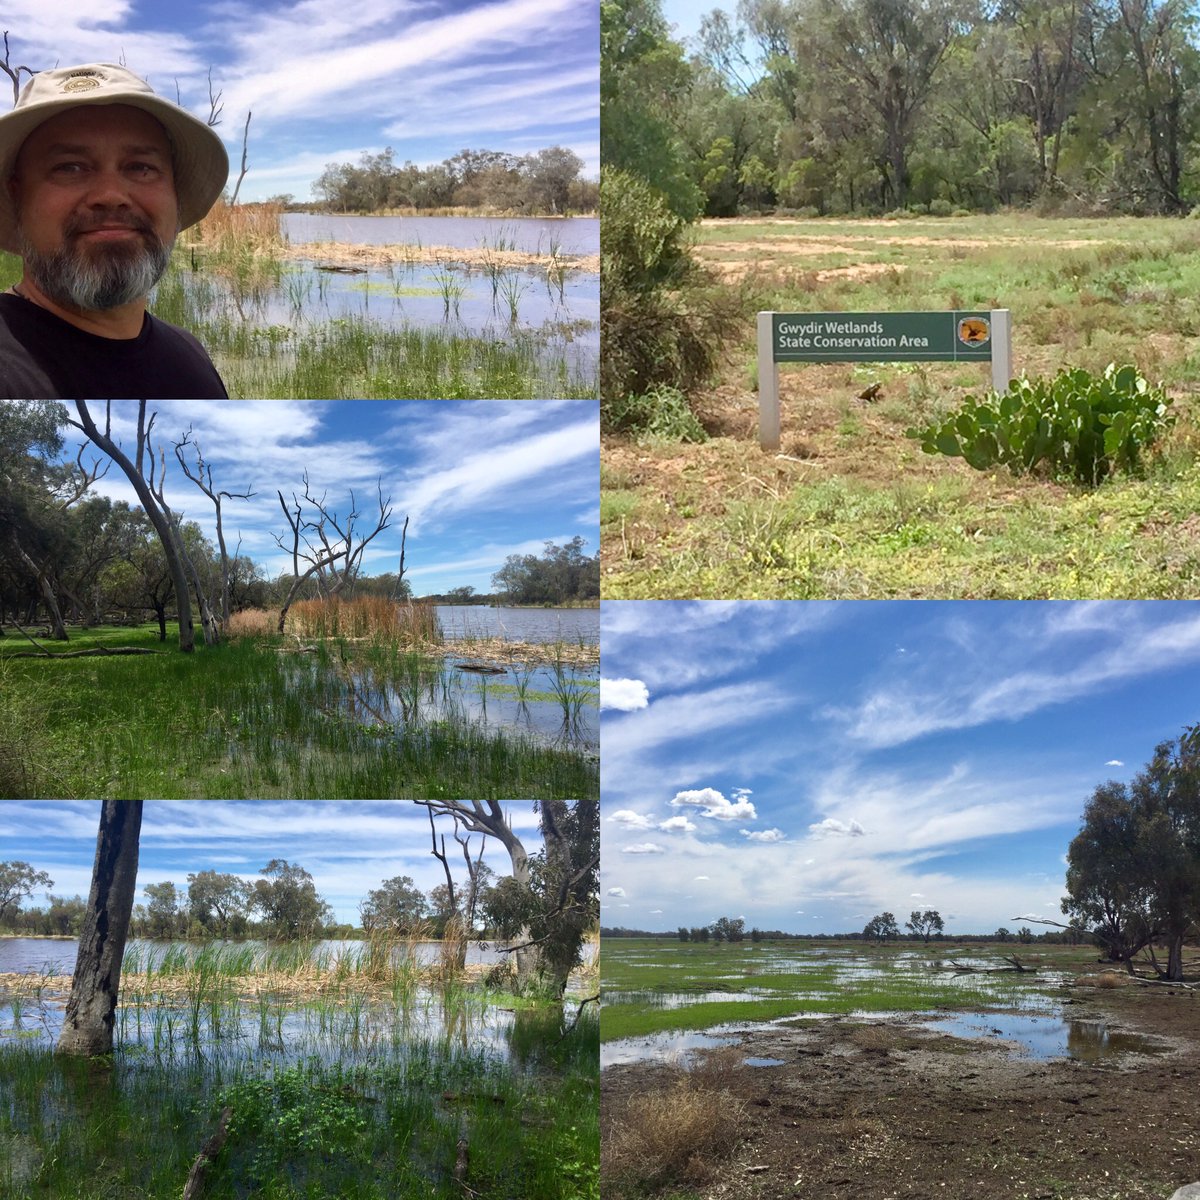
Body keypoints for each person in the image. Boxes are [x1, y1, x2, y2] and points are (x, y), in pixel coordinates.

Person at [0, 62, 230, 398]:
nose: (111, 196)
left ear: (174, 195)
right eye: (70, 167)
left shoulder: (190, 353)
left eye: (140, 167)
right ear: (16, 195)